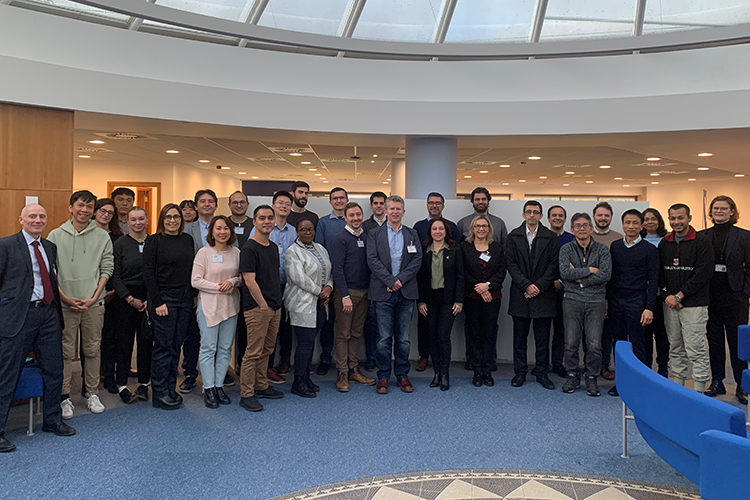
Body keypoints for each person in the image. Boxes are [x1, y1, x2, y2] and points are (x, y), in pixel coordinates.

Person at [0, 204, 75, 453]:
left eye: (42, 216)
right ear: (21, 219)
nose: (37, 220)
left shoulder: (49, 247)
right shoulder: (6, 245)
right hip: (18, 318)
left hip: (48, 315)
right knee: (7, 374)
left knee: (54, 369)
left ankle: (52, 420)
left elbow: (51, 279)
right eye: (32, 216)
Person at [48, 190, 113, 418]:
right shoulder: (55, 235)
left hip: (93, 304)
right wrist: (64, 297)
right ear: (71, 207)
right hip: (66, 305)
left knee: (93, 349)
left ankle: (91, 392)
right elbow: (51, 271)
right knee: (66, 352)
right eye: (80, 205)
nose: (84, 210)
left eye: (89, 207)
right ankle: (65, 396)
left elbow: (107, 268)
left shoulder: (102, 236)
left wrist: (96, 296)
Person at [142, 204, 195, 410]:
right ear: (162, 219)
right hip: (164, 299)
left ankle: (170, 388)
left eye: (176, 217)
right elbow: (147, 273)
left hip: (184, 298)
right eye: (168, 217)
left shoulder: (187, 240)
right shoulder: (154, 241)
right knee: (163, 347)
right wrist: (158, 302)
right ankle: (159, 393)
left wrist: (191, 296)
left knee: (175, 346)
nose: (172, 221)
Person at [367, 195, 422, 394]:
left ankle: (402, 375)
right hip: (383, 292)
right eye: (392, 209)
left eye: (399, 209)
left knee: (404, 339)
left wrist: (400, 281)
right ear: (386, 211)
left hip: (406, 293)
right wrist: (391, 281)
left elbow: (417, 260)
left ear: (403, 212)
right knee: (383, 338)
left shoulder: (412, 234)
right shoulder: (374, 234)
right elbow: (372, 260)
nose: (395, 212)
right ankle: (383, 376)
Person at [659, 203, 713, 393]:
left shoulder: (702, 242)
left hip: (693, 305)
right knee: (675, 347)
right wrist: (668, 296)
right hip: (670, 305)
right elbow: (661, 274)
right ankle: (678, 387)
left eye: (680, 218)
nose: (676, 222)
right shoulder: (665, 243)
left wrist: (680, 296)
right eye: (672, 218)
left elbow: (703, 274)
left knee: (695, 348)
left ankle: (699, 389)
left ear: (689, 218)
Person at [700, 196, 750, 404]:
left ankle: (742, 385)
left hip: (735, 296)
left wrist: (745, 292)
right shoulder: (702, 236)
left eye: (723, 208)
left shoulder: (744, 236)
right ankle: (718, 381)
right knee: (715, 340)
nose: (719, 211)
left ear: (732, 212)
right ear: (711, 212)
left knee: (738, 342)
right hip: (710, 296)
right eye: (716, 208)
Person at [505, 201, 559, 391]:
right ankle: (519, 372)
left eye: (536, 212)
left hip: (544, 295)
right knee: (519, 339)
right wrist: (527, 285)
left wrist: (538, 286)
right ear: (523, 214)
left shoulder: (551, 237)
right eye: (528, 212)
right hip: (521, 294)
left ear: (541, 216)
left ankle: (541, 373)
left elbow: (554, 265)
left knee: (542, 340)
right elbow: (511, 264)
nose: (532, 215)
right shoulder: (513, 236)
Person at [606, 209, 659, 397]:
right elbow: (610, 277)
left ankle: (640, 384)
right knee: (619, 344)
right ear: (622, 225)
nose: (631, 226)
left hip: (637, 301)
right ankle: (621, 382)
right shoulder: (615, 247)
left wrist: (649, 308)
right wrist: (607, 301)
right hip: (616, 301)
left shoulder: (649, 250)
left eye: (635, 223)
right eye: (627, 222)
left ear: (641, 225)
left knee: (638, 344)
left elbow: (654, 280)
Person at [559, 212, 611, 397]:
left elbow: (605, 275)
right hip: (572, 300)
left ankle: (591, 378)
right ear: (572, 230)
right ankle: (572, 376)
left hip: (596, 302)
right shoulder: (566, 249)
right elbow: (565, 273)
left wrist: (580, 279)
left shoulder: (602, 249)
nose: (582, 229)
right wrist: (589, 270)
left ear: (591, 228)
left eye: (585, 225)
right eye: (578, 226)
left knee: (594, 344)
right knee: (571, 343)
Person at [191, 215, 241, 409]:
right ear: (211, 231)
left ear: (231, 231)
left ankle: (219, 385)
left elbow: (241, 277)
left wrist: (233, 282)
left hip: (230, 305)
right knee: (208, 347)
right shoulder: (204, 253)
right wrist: (219, 287)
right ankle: (209, 387)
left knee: (225, 348)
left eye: (226, 228)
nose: (222, 232)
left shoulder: (236, 252)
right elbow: (195, 280)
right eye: (218, 228)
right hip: (209, 306)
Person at [239, 205, 284, 412]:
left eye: (270, 218)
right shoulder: (249, 248)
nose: (266, 221)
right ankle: (247, 394)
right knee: (253, 352)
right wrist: (263, 305)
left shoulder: (273, 247)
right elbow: (249, 281)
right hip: (258, 308)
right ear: (254, 222)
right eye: (262, 218)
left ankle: (262, 385)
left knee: (267, 350)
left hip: (274, 306)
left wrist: (274, 305)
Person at [249, 191, 296, 383]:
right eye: (280, 203)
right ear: (274, 205)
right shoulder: (262, 228)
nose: (283, 206)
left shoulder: (294, 231)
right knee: (266, 332)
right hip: (267, 287)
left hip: (290, 285)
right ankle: (265, 369)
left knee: (285, 327)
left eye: (287, 204)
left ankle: (283, 362)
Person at [412, 192, 462, 372]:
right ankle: (424, 356)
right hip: (426, 291)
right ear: (427, 205)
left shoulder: (452, 227)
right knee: (424, 326)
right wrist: (420, 298)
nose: (434, 206)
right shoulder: (418, 226)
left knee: (442, 333)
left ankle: (442, 366)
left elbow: (458, 265)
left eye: (438, 203)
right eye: (431, 203)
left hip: (447, 292)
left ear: (443, 206)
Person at [285, 219, 333, 397]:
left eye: (310, 229)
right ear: (297, 232)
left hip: (320, 304)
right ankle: (297, 381)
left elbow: (329, 271)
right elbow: (298, 278)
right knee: (304, 343)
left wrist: (329, 287)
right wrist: (320, 291)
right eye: (303, 230)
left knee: (310, 342)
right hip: (301, 303)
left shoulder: (321, 248)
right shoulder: (292, 251)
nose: (307, 233)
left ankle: (305, 377)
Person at [330, 202, 376, 392]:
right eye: (351, 215)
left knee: (356, 333)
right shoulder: (340, 239)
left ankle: (353, 370)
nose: (356, 218)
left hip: (364, 292)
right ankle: (342, 373)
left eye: (358, 215)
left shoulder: (367, 237)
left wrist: (371, 292)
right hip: (346, 293)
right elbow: (337, 269)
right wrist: (345, 295)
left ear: (362, 215)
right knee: (343, 334)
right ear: (346, 217)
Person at [181, 189, 223, 393]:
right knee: (193, 334)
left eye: (210, 201)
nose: (207, 204)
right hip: (195, 291)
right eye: (202, 201)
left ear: (216, 205)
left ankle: (217, 375)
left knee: (217, 335)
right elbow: (186, 261)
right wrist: (195, 292)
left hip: (220, 292)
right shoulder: (188, 229)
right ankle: (190, 373)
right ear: (196, 206)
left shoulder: (223, 228)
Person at [109, 207, 152, 404]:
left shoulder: (153, 242)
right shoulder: (120, 244)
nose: (137, 223)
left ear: (147, 219)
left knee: (145, 343)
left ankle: (144, 383)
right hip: (125, 299)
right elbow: (115, 275)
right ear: (127, 222)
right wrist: (129, 298)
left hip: (148, 299)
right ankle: (122, 385)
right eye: (133, 219)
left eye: (140, 219)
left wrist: (149, 299)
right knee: (124, 344)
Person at [417, 218, 464, 391]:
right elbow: (420, 278)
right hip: (428, 300)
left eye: (441, 229)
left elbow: (460, 277)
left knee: (443, 337)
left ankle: (445, 374)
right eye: (434, 229)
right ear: (430, 231)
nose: (438, 231)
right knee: (431, 337)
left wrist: (459, 301)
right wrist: (420, 301)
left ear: (446, 231)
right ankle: (436, 373)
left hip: (448, 300)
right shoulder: (423, 249)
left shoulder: (454, 249)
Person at [461, 215, 507, 387]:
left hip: (492, 296)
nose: (481, 229)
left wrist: (488, 286)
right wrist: (477, 287)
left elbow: (502, 270)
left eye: (484, 226)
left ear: (489, 229)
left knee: (489, 333)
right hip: (471, 296)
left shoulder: (497, 247)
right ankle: (476, 370)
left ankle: (487, 370)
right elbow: (462, 271)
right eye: (477, 226)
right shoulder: (464, 247)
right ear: (472, 228)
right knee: (474, 333)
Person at [314, 187, 349, 375]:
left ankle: (346, 362)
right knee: (327, 322)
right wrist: (326, 283)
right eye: (335, 198)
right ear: (330, 202)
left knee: (346, 324)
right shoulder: (323, 223)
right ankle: (326, 358)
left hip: (348, 281)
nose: (338, 201)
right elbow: (319, 251)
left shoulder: (353, 220)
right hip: (328, 281)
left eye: (342, 198)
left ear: (347, 200)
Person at [590, 201, 622, 382]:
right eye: (599, 215)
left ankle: (604, 365)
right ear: (594, 217)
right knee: (589, 333)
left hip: (611, 292)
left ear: (611, 217)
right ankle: (590, 364)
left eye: (606, 215)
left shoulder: (619, 238)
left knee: (607, 333)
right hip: (587, 291)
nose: (603, 218)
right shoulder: (584, 235)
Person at [641, 208, 670, 377]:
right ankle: (646, 370)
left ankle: (663, 369)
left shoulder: (667, 241)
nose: (650, 222)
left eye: (653, 218)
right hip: (643, 296)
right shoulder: (639, 241)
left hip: (663, 297)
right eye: (646, 219)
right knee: (645, 335)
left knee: (662, 335)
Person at [361, 191, 387, 372]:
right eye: (375, 203)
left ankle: (383, 357)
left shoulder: (394, 225)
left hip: (391, 282)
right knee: (371, 322)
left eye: (381, 203)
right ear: (371, 205)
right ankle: (370, 356)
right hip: (370, 281)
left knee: (385, 324)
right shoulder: (364, 226)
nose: (378, 206)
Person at [547, 205, 574, 378]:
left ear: (565, 219)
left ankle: (558, 363)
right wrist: (551, 281)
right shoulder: (542, 237)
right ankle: (541, 365)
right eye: (554, 215)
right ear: (548, 218)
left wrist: (562, 281)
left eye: (560, 215)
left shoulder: (572, 239)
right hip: (544, 289)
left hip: (566, 290)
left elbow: (577, 264)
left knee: (561, 330)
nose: (557, 218)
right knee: (542, 330)